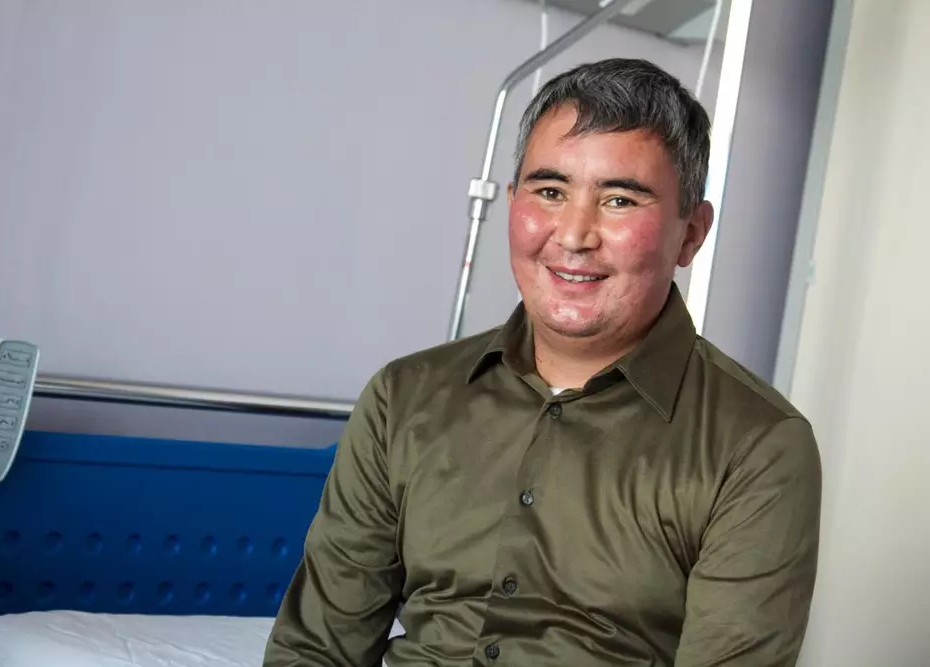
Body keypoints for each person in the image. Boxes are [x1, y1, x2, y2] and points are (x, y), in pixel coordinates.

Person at [263, 58, 822, 667]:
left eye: (619, 200)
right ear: (512, 203)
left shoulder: (757, 446)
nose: (574, 235)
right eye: (550, 192)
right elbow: (316, 649)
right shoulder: (403, 398)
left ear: (691, 233)